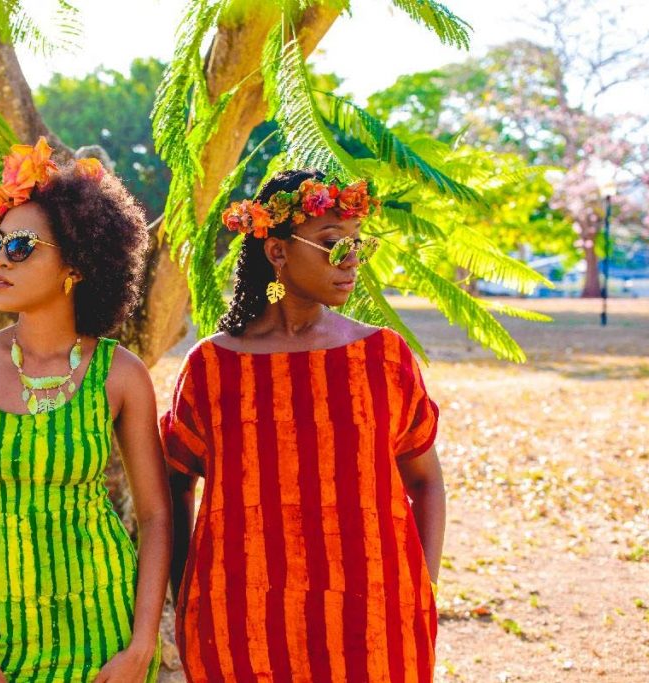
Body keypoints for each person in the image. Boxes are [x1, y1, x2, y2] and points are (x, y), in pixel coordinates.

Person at [161, 169, 446, 682]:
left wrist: (417, 592)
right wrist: (189, 598)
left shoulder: (383, 357)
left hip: (373, 629)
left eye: (359, 245)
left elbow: (424, 480)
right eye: (334, 245)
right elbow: (176, 482)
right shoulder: (212, 367)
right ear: (277, 252)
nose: (352, 260)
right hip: (240, 628)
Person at [0, 138, 170, 683]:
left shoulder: (120, 374)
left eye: (19, 246)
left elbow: (155, 516)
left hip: (104, 640)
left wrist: (140, 645)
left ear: (78, 264)